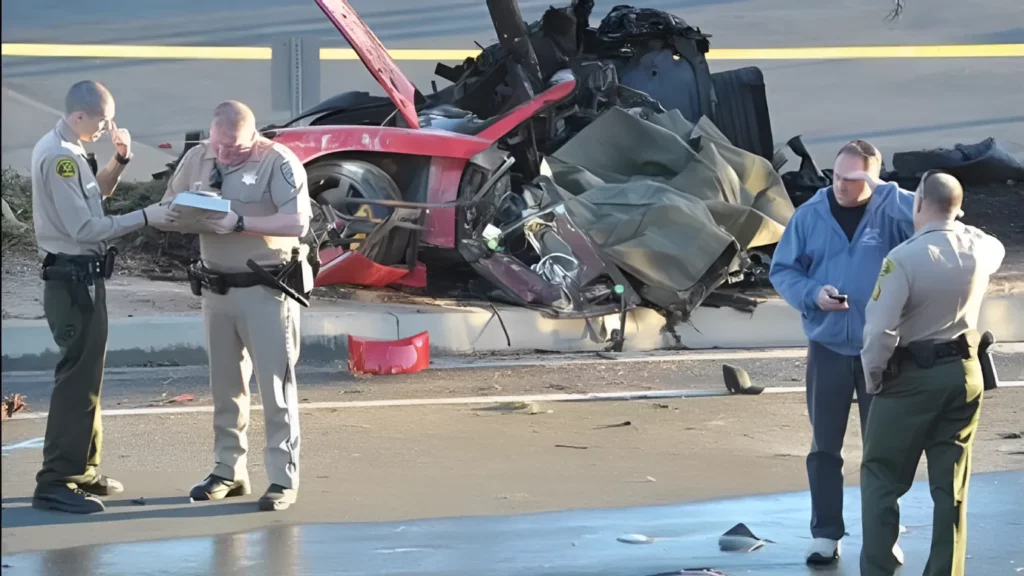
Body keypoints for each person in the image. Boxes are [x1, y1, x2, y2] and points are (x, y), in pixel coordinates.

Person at [155, 100, 313, 511]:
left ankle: (282, 479)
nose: (225, 154)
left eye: (236, 148)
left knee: (275, 389)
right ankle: (228, 470)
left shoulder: (277, 162)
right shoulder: (199, 156)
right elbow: (170, 203)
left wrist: (239, 222)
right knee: (226, 388)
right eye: (219, 144)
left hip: (264, 289)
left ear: (254, 136)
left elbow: (298, 222)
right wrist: (186, 213)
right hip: (216, 289)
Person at [768, 139, 916, 565]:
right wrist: (815, 294)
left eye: (854, 179)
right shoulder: (810, 215)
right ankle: (825, 534)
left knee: (883, 448)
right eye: (837, 177)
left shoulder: (891, 210)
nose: (843, 187)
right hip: (828, 346)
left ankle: (882, 535)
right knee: (824, 447)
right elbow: (784, 270)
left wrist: (885, 191)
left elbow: (933, 223)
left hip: (880, 348)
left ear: (872, 178)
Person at [30, 80, 175, 514]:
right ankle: (56, 479)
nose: (106, 127)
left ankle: (84, 468)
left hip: (83, 279)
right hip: (72, 281)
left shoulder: (69, 148)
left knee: (88, 379)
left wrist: (120, 159)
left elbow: (94, 199)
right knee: (76, 381)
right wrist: (148, 215)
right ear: (79, 117)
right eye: (101, 121)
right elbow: (86, 229)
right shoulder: (59, 158)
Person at [859, 171, 1004, 576]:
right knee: (952, 484)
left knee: (881, 478)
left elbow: (879, 331)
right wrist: (955, 217)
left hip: (910, 378)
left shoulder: (902, 258)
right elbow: (990, 242)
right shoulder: (981, 249)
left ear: (918, 203)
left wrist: (874, 378)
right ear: (957, 208)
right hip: (964, 372)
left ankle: (879, 567)